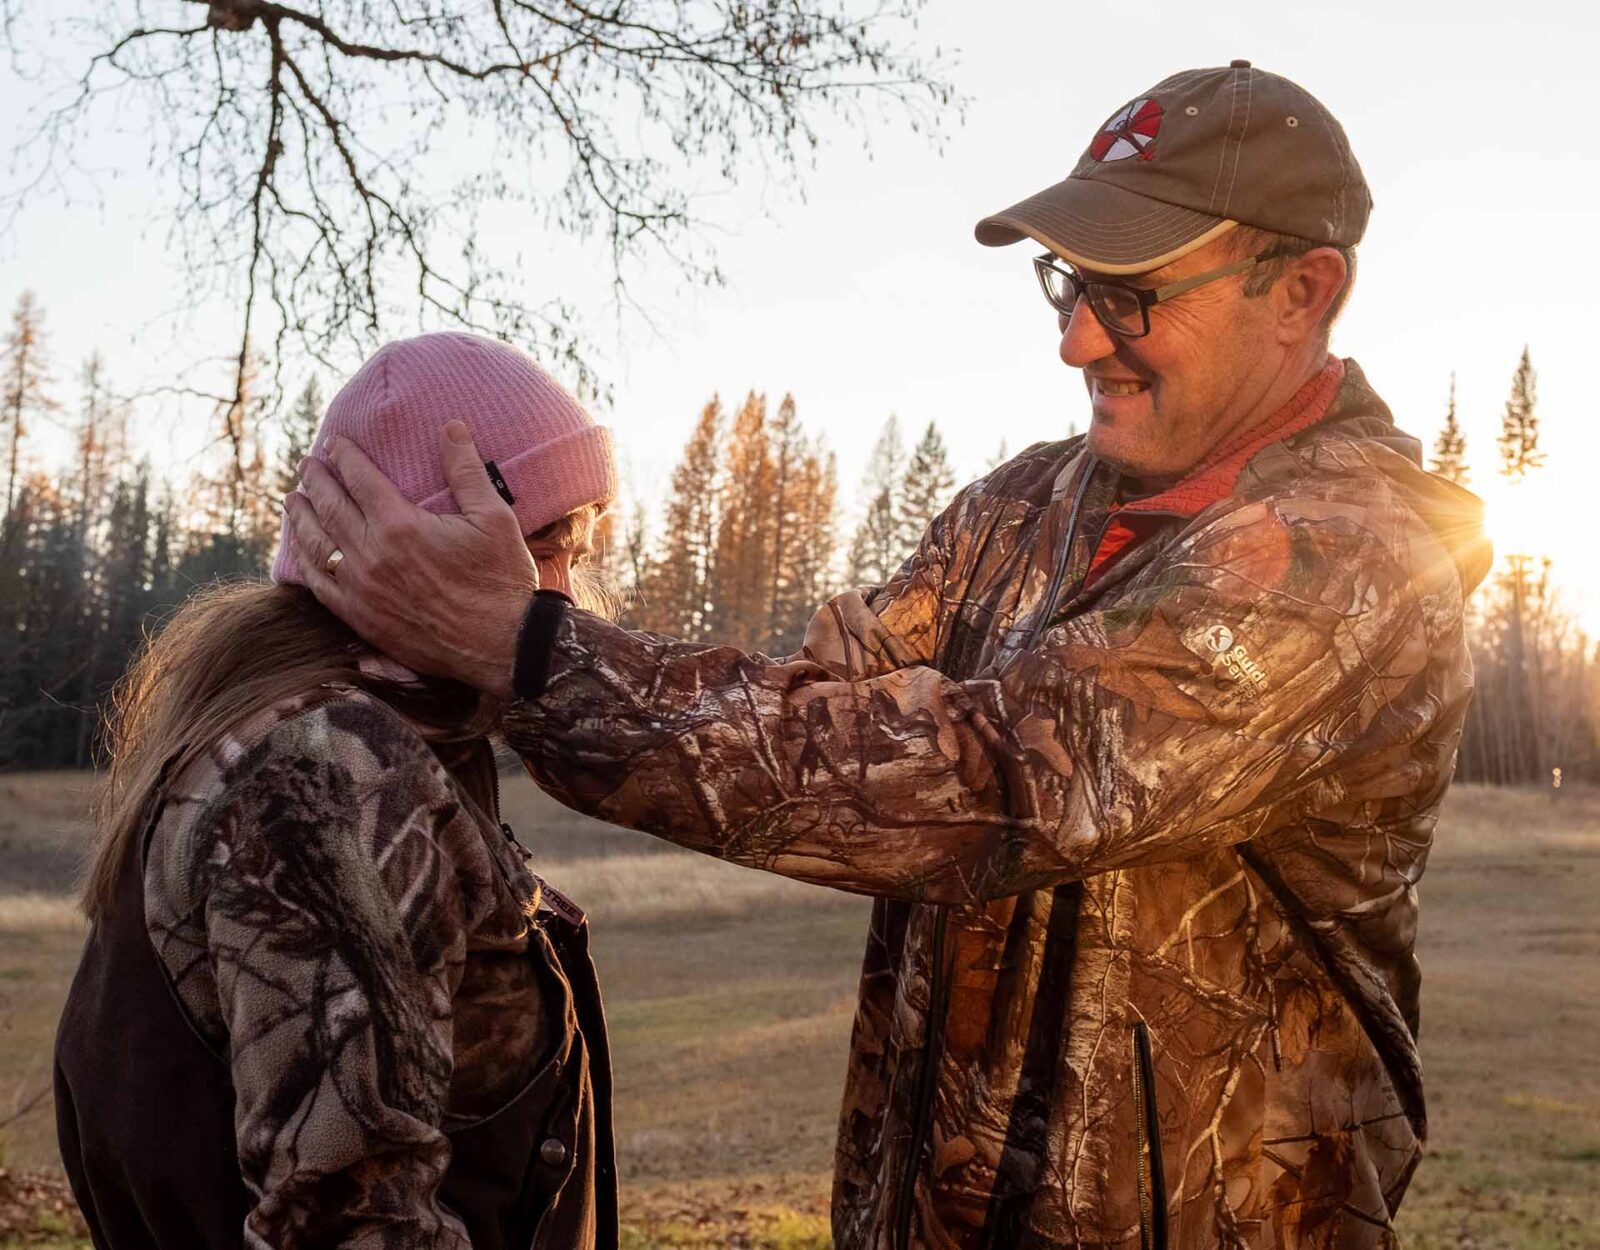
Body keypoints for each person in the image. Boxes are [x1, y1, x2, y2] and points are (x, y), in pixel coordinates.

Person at [286, 64, 1490, 1249]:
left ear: (1301, 290)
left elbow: (993, 781)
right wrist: (500, 620)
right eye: (1070, 283)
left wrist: (528, 647)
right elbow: (827, 713)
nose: (1078, 339)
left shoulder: (1356, 559)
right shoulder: (1021, 507)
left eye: (1131, 294)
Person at [55, 332, 620, 1249]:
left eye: (579, 548)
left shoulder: (348, 734)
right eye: (544, 545)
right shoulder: (329, 773)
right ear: (409, 547)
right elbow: (349, 1225)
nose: (565, 596)